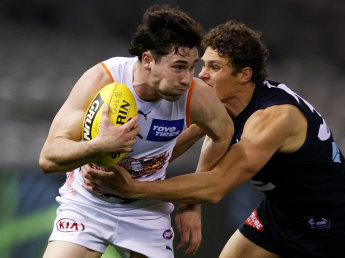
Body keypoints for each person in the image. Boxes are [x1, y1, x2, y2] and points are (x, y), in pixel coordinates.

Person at [82, 20, 345, 257]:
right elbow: (196, 137)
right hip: (279, 215)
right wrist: (187, 203)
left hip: (334, 228)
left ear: (244, 74)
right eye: (203, 65)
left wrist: (134, 187)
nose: (202, 75)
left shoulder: (273, 118)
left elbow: (216, 186)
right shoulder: (226, 102)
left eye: (214, 67)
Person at [39, 5, 234, 258]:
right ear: (147, 59)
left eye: (192, 67)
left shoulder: (196, 98)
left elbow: (224, 134)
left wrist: (191, 202)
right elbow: (48, 158)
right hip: (88, 203)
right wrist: (98, 146)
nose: (187, 78)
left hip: (146, 211)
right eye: (178, 67)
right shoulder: (104, 80)